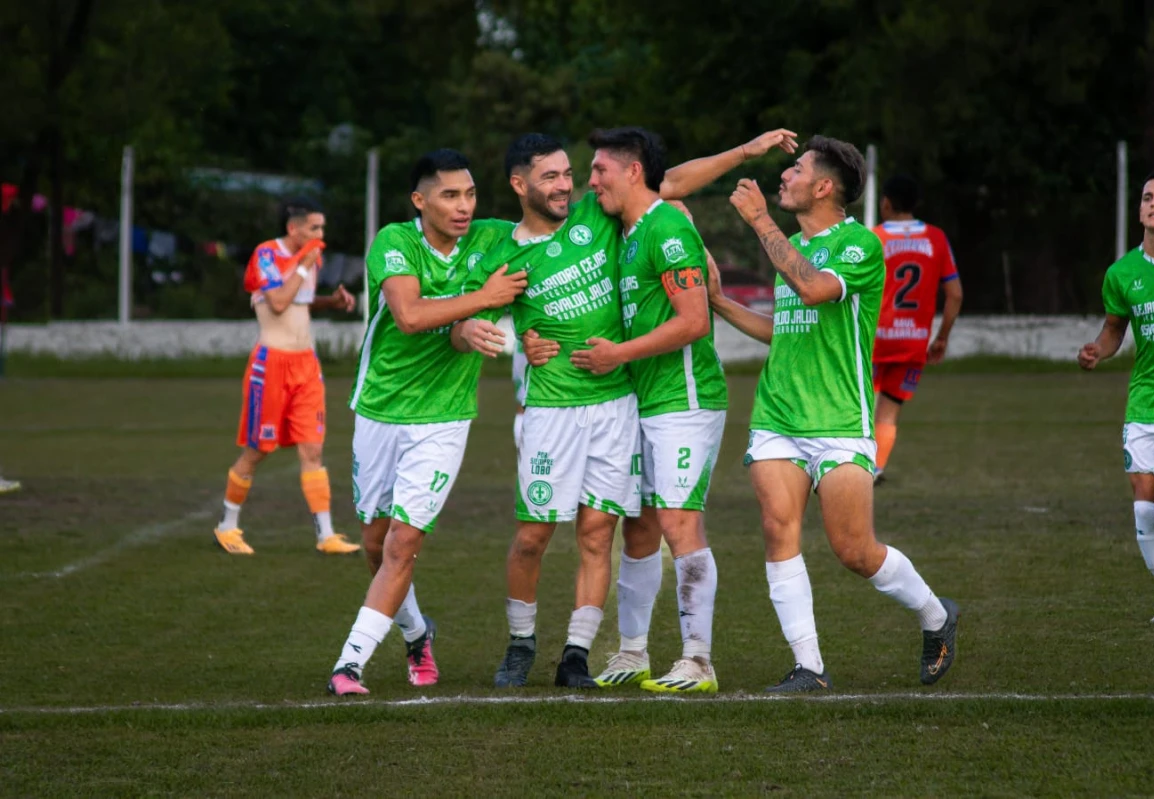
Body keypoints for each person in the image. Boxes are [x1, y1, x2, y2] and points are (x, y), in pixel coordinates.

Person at [459, 129, 796, 689]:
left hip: (633, 402)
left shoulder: (613, 218)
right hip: (569, 407)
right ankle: (552, 645)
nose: (573, 185)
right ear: (519, 185)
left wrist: (744, 152)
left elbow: (672, 185)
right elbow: (471, 313)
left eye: (579, 173)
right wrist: (513, 337)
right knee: (560, 533)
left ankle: (615, 655)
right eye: (555, 176)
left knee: (612, 532)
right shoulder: (508, 247)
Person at [712, 135, 959, 691]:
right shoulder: (795, 247)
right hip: (777, 416)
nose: (783, 177)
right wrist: (719, 301)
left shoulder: (860, 245)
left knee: (855, 551)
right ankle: (810, 667)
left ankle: (937, 617)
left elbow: (815, 290)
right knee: (779, 531)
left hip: (840, 421)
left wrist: (760, 223)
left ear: (824, 186)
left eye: (795, 169)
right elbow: (786, 331)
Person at [326, 150, 529, 695]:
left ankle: (350, 664)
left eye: (470, 194)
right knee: (374, 542)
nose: (464, 207)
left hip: (444, 419)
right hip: (379, 409)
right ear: (420, 200)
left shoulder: (493, 238)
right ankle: (417, 633)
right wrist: (483, 301)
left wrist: (475, 328)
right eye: (449, 195)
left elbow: (561, 231)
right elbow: (410, 317)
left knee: (403, 542)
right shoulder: (396, 242)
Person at [568, 128, 734, 694]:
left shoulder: (666, 227)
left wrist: (618, 354)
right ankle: (633, 651)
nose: (592, 183)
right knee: (636, 526)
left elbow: (694, 320)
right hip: (641, 401)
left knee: (678, 522)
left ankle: (698, 660)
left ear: (632, 171)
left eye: (599, 171)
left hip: (684, 400)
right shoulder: (632, 230)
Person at [1078, 171, 1154, 623]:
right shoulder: (1122, 273)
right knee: (1145, 510)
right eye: (1148, 196)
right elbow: (1113, 331)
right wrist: (1097, 351)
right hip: (1146, 401)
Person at [214, 198, 360, 556]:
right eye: (315, 228)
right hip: (272, 365)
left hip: (306, 365)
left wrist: (332, 302)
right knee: (258, 450)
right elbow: (278, 302)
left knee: (313, 448)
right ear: (293, 228)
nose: (321, 236)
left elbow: (300, 303)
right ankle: (227, 526)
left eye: (323, 228)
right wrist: (303, 266)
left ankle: (326, 535)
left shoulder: (308, 260)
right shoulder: (267, 255)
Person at [871, 175, 963, 483]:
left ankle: (849, 467)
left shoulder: (875, 238)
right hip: (913, 342)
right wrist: (942, 337)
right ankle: (876, 469)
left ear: (885, 202)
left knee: (858, 405)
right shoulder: (936, 238)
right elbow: (956, 294)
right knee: (889, 409)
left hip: (873, 339)